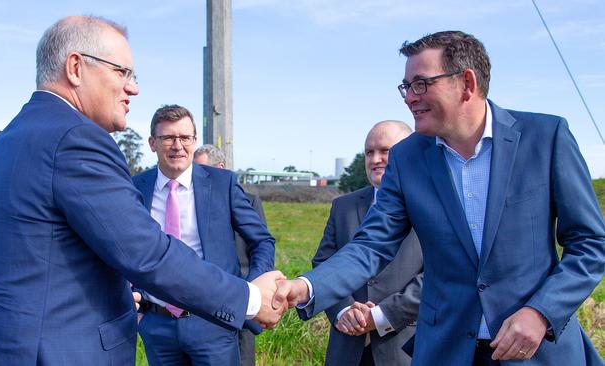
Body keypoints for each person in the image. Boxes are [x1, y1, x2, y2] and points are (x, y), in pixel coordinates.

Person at [274, 31, 605, 366]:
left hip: (536, 352)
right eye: (406, 87)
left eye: (420, 83)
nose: (409, 98)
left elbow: (590, 242)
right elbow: (370, 246)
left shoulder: (546, 138)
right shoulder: (407, 158)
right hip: (445, 351)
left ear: (467, 83)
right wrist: (305, 287)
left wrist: (541, 312)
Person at [0, 16, 284, 366]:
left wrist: (119, 295)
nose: (133, 88)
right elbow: (146, 253)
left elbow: (45, 260)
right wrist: (250, 299)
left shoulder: (11, 138)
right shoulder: (76, 139)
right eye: (122, 72)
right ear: (76, 67)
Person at [132, 107, 275, 365]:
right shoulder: (135, 187)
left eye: (185, 137)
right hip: (157, 325)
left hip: (214, 322)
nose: (178, 146)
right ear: (152, 143)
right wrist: (138, 311)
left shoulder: (222, 184)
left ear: (194, 141)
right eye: (168, 138)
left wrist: (249, 292)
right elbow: (120, 248)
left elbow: (262, 241)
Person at [312, 121, 423, 366]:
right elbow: (323, 262)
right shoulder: (343, 206)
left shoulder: (430, 205)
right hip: (347, 346)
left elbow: (438, 275)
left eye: (385, 151)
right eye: (369, 152)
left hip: (404, 347)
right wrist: (344, 311)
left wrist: (381, 315)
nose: (375, 159)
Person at [194, 143, 267, 366]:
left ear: (222, 168)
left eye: (201, 170)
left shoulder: (250, 201)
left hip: (240, 299)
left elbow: (261, 246)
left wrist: (252, 290)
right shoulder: (190, 202)